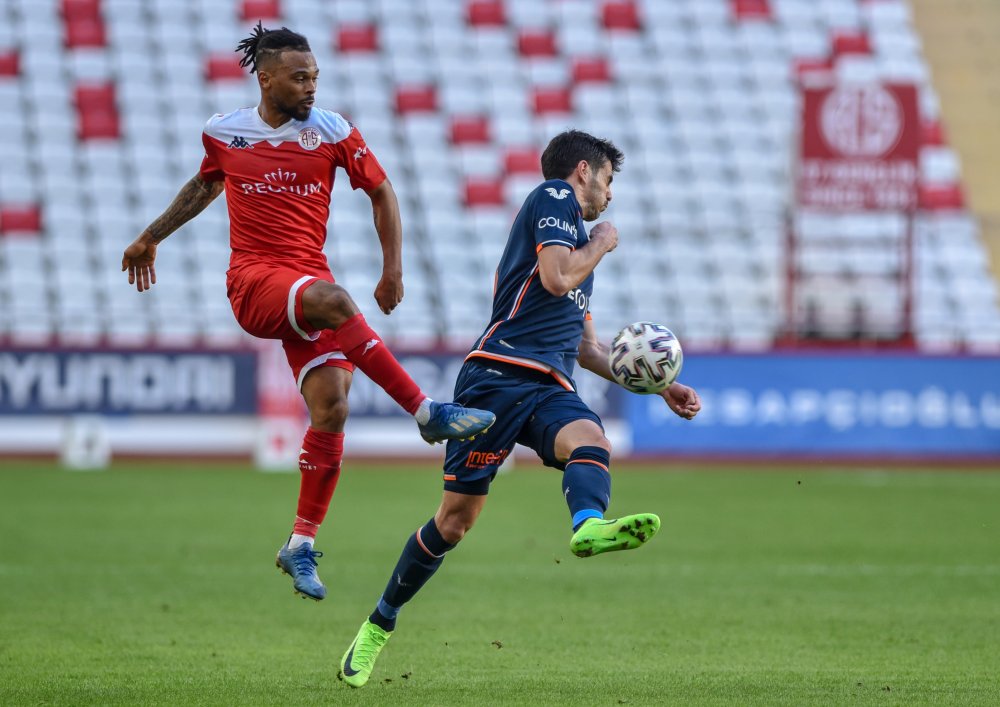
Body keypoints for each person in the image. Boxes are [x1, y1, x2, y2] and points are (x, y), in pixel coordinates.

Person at [120, 23, 495, 602]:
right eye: (299, 78)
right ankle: (426, 412)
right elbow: (205, 186)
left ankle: (299, 543)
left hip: (303, 284)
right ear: (266, 79)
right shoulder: (225, 131)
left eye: (315, 77)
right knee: (337, 301)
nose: (311, 87)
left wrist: (393, 269)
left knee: (333, 406)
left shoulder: (332, 130)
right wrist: (150, 237)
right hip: (254, 283)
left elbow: (382, 191)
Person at [336, 130, 702, 688]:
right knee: (454, 523)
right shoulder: (553, 198)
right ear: (583, 172)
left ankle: (588, 525)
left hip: (549, 383)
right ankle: (378, 624)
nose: (610, 195)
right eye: (608, 180)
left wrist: (659, 385)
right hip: (499, 374)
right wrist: (602, 242)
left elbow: (586, 349)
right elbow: (556, 279)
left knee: (591, 440)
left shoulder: (577, 250)